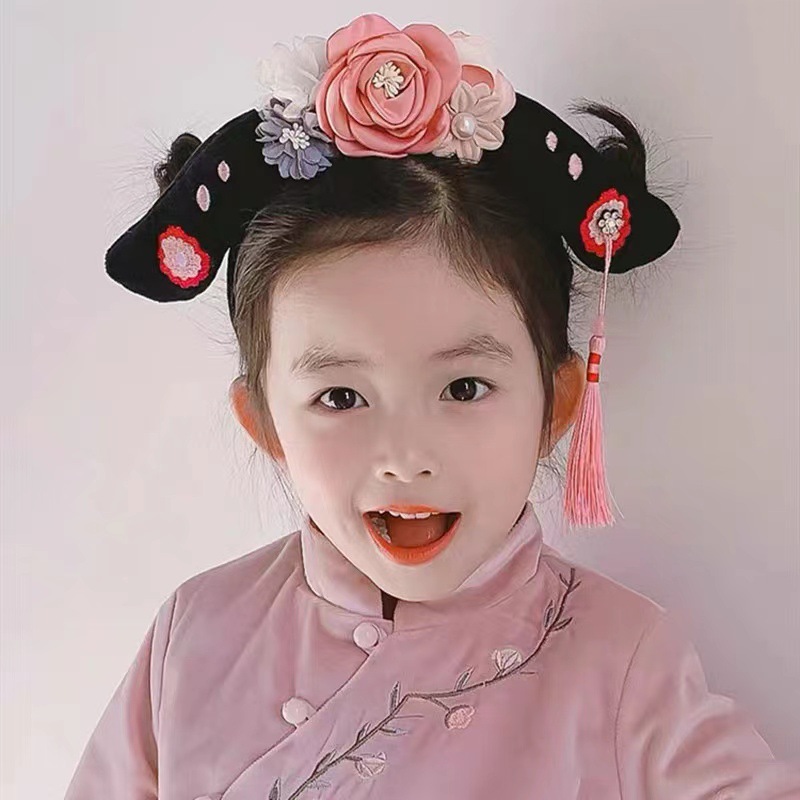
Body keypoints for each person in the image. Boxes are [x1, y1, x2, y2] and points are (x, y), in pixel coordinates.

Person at [65, 13, 800, 800]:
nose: (406, 456)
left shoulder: (621, 659)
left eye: (464, 388)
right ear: (265, 422)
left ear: (556, 406)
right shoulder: (195, 633)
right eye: (340, 396)